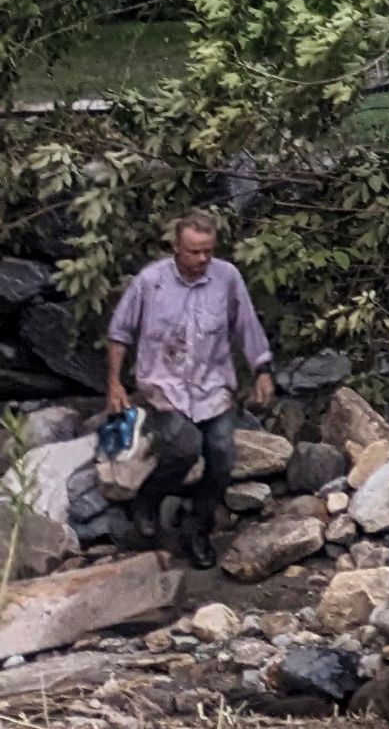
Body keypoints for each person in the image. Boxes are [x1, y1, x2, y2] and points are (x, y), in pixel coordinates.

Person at [100, 211, 274, 570]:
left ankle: (197, 526)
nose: (202, 259)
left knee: (222, 454)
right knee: (184, 447)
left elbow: (247, 325)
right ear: (176, 248)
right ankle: (148, 500)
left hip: (213, 386)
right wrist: (114, 383)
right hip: (162, 387)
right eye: (194, 252)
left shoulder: (227, 278)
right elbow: (120, 332)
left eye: (208, 251)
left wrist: (262, 369)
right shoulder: (150, 282)